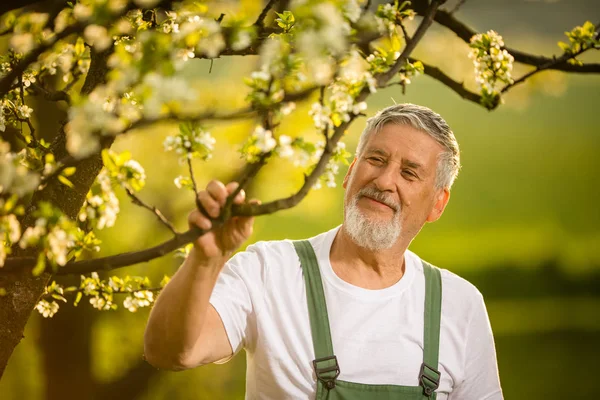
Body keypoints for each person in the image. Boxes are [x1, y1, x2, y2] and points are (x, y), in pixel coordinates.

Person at [144, 103, 503, 399]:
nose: (384, 181)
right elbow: (171, 350)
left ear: (437, 205)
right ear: (350, 173)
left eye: (409, 173)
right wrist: (205, 260)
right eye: (376, 160)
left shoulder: (459, 305)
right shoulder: (269, 271)